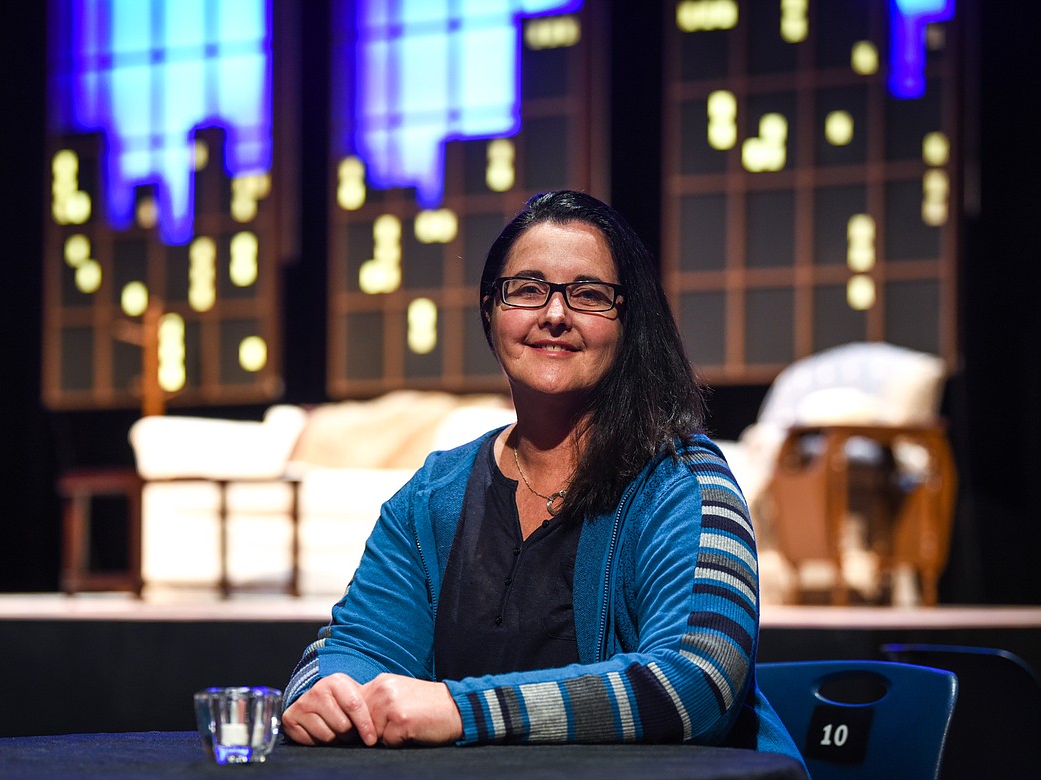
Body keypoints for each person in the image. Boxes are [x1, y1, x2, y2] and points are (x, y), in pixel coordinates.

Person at [281, 191, 805, 770]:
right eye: (527, 289)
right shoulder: (433, 496)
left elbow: (697, 681)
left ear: (629, 322)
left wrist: (460, 711)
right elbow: (355, 648)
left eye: (588, 294)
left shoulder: (684, 480)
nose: (554, 314)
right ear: (490, 310)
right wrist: (323, 691)